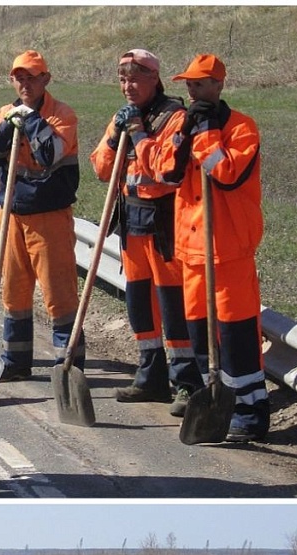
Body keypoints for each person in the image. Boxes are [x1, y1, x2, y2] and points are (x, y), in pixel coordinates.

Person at [132, 53, 270, 440]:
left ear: (219, 85)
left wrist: (207, 133)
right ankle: (218, 403)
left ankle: (251, 411)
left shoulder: (241, 128)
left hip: (228, 251)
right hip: (192, 252)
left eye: (200, 84)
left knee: (236, 336)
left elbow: (226, 175)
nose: (193, 91)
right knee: (202, 338)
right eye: (189, 84)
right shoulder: (190, 124)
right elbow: (166, 174)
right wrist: (183, 137)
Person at [90, 50, 202, 409]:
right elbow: (101, 170)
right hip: (131, 222)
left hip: (164, 223)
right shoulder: (122, 118)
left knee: (173, 305)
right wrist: (114, 138)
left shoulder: (174, 117)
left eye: (135, 78)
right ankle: (150, 376)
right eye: (123, 79)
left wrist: (138, 133)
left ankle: (187, 382)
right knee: (140, 304)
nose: (128, 86)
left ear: (155, 78)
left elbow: (165, 171)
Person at [0, 51, 81, 381]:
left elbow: (51, 154)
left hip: (49, 217)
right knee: (14, 291)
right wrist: (6, 128)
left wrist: (31, 121)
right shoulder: (5, 114)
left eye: (32, 77)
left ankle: (68, 365)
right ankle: (15, 361)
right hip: (11, 215)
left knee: (59, 295)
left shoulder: (62, 115)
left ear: (45, 79)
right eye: (19, 77)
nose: (25, 83)